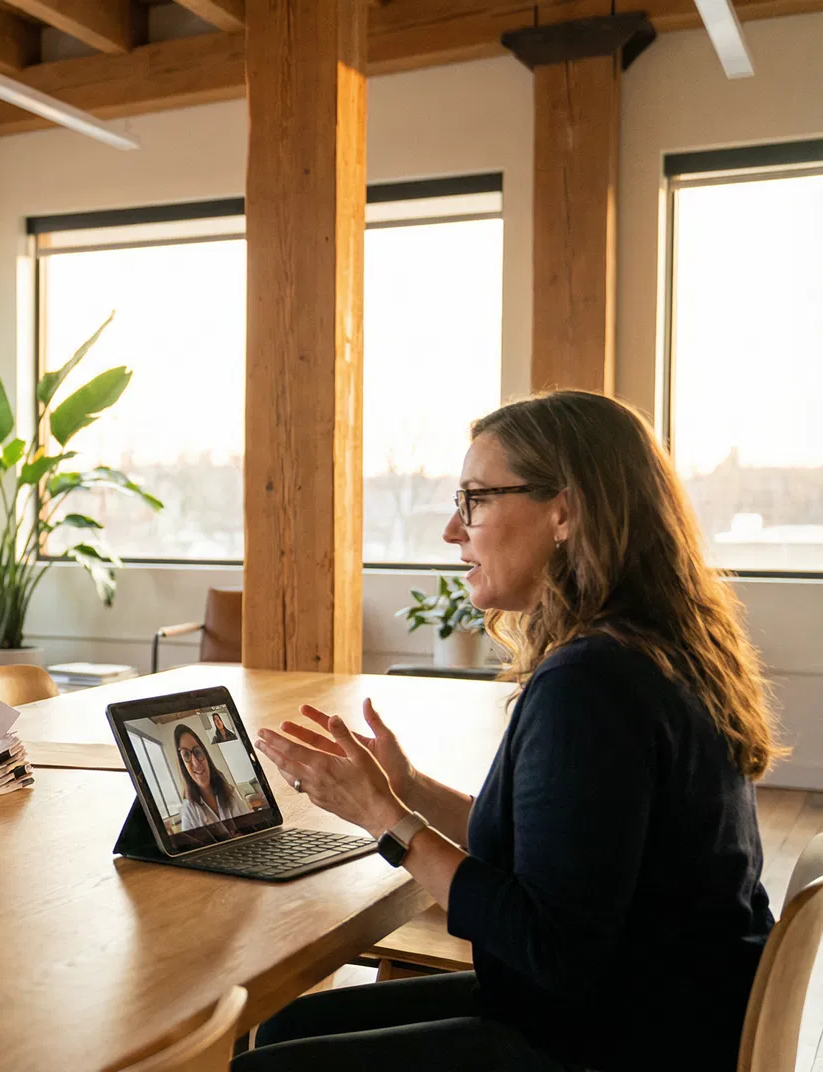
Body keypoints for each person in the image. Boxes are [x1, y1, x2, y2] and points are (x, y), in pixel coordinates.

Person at [242, 391, 778, 1071]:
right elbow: (563, 859)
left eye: (475, 500)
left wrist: (381, 816)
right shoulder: (650, 649)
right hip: (669, 1013)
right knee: (292, 1025)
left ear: (566, 510)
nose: (451, 530)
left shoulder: (593, 683)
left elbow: (551, 947)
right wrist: (406, 789)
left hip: (616, 1040)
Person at [174, 724, 247, 829]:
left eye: (198, 752)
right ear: (182, 765)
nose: (196, 763)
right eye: (186, 755)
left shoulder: (230, 792)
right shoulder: (188, 812)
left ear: (206, 755)